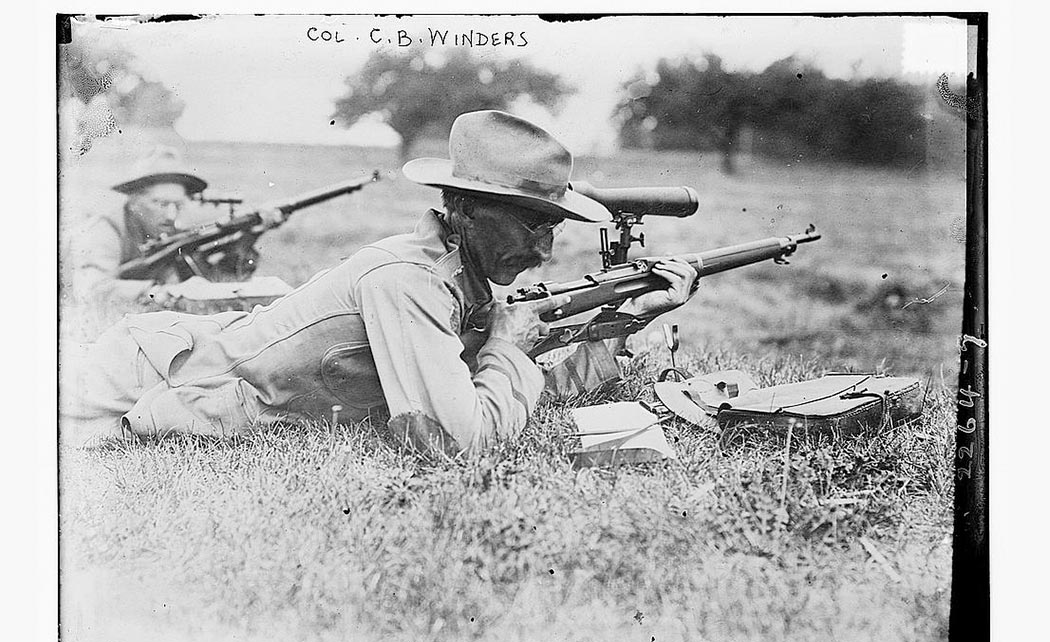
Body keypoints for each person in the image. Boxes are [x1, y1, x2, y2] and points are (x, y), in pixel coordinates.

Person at [62, 111, 699, 456]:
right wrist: (509, 346)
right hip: (146, 375)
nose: (545, 246)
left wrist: (615, 335)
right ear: (468, 211)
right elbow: (459, 443)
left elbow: (507, 396)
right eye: (533, 223)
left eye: (553, 226)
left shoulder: (467, 279)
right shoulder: (409, 282)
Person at [64, 146, 208, 307]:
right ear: (134, 201)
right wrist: (152, 292)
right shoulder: (105, 230)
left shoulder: (170, 230)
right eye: (161, 204)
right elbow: (91, 289)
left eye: (178, 205)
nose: (171, 215)